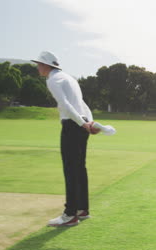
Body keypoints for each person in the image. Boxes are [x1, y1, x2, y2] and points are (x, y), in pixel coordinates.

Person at [31, 51, 100, 227]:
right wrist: (89, 122)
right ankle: (82, 210)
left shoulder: (53, 80)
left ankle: (70, 215)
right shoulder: (69, 78)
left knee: (71, 170)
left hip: (72, 125)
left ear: (47, 66)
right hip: (82, 123)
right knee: (79, 168)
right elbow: (83, 104)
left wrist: (82, 124)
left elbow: (65, 105)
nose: (38, 67)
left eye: (39, 64)